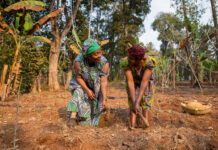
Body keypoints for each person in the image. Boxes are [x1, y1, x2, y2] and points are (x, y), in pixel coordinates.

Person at [67, 38, 109, 127]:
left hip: (96, 85)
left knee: (90, 123)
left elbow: (104, 82)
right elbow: (78, 77)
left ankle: (85, 116)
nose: (99, 55)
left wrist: (104, 98)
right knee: (78, 91)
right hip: (81, 84)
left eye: (100, 52)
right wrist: (87, 90)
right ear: (88, 55)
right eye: (96, 54)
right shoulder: (78, 62)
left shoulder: (104, 63)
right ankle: (72, 117)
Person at [120, 45, 155, 129]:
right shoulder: (125, 62)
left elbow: (144, 82)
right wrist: (135, 102)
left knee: (145, 100)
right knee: (133, 101)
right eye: (129, 57)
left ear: (139, 60)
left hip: (146, 80)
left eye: (131, 58)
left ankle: (145, 124)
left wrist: (138, 100)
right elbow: (130, 81)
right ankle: (133, 124)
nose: (128, 59)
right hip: (133, 80)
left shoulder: (149, 62)